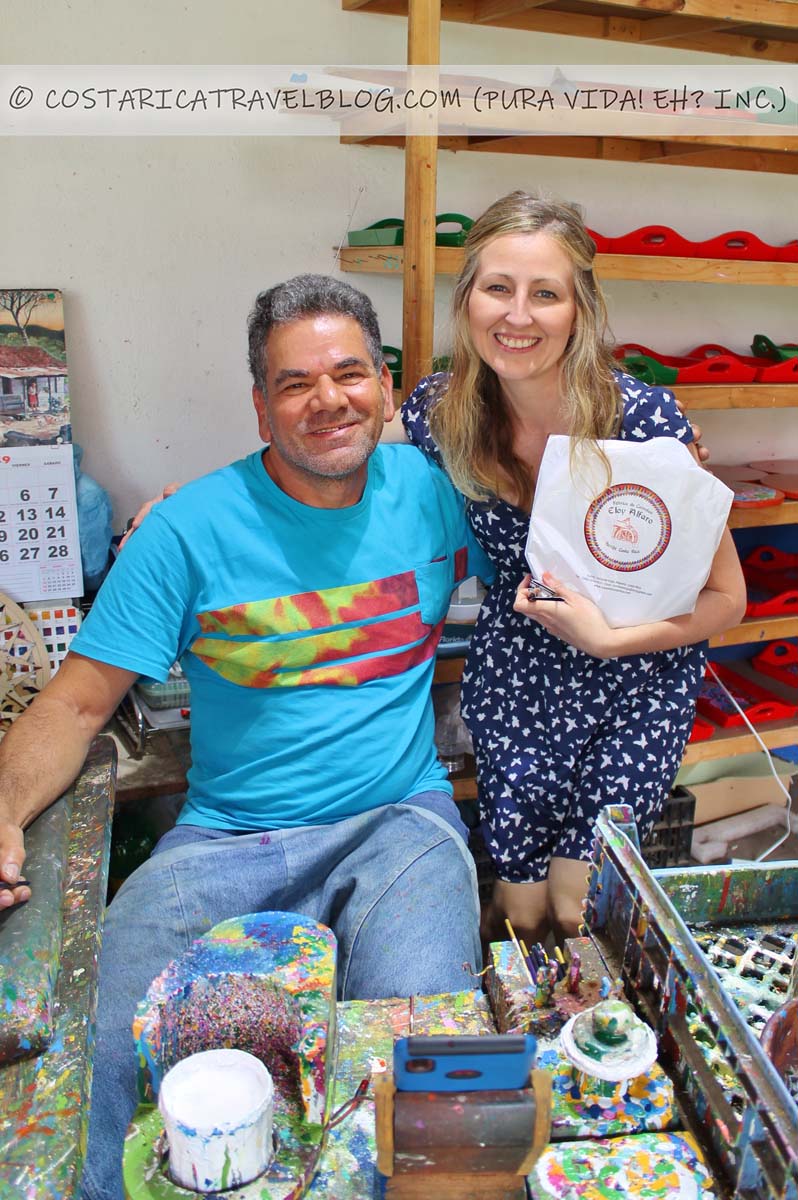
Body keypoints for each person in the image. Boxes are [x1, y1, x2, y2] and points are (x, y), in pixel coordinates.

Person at [0, 275, 489, 1200]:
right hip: (224, 840)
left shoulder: (436, 494)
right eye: (295, 383)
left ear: (386, 387)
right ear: (261, 405)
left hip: (400, 825)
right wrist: (5, 809)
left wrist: (660, 456)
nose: (328, 399)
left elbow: (577, 534)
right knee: (101, 1051)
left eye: (350, 373)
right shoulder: (186, 531)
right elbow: (74, 706)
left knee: (427, 1054)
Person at [398, 191, 746, 947]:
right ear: (468, 298)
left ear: (580, 307)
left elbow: (729, 598)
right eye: (499, 287)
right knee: (519, 907)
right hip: (519, 675)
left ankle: (584, 1020)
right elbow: (338, 449)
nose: (518, 315)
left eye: (545, 294)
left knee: (576, 907)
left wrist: (609, 641)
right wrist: (189, 499)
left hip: (637, 679)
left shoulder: (644, 422)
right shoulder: (440, 410)